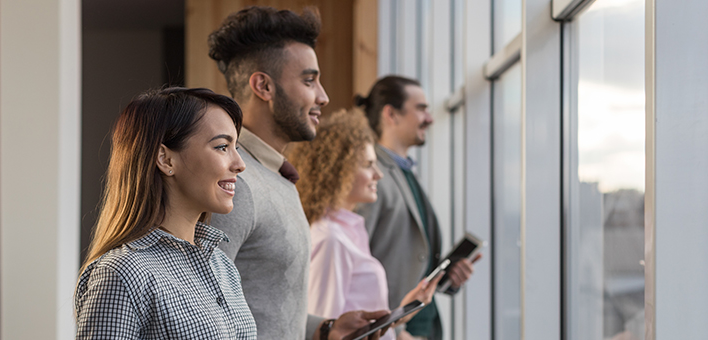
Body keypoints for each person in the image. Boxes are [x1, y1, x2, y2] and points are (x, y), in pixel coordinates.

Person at [208, 6, 388, 340]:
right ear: (263, 86)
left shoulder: (276, 178)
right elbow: (200, 310)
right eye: (309, 80)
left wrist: (326, 328)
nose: (323, 96)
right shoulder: (236, 183)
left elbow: (265, 305)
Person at [75, 87, 256, 339]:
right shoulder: (122, 273)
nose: (239, 164)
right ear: (166, 159)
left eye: (236, 147)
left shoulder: (222, 265)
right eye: (222, 147)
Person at [287, 109, 444, 340]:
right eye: (368, 164)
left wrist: (401, 313)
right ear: (340, 170)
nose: (378, 174)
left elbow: (354, 327)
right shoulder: (330, 238)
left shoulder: (348, 232)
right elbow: (326, 328)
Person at [355, 76, 481, 340]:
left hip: (421, 326)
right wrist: (396, 329)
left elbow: (411, 255)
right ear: (391, 114)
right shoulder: (369, 177)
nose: (430, 118)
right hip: (396, 331)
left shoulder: (405, 173)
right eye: (421, 108)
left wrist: (445, 277)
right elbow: (356, 266)